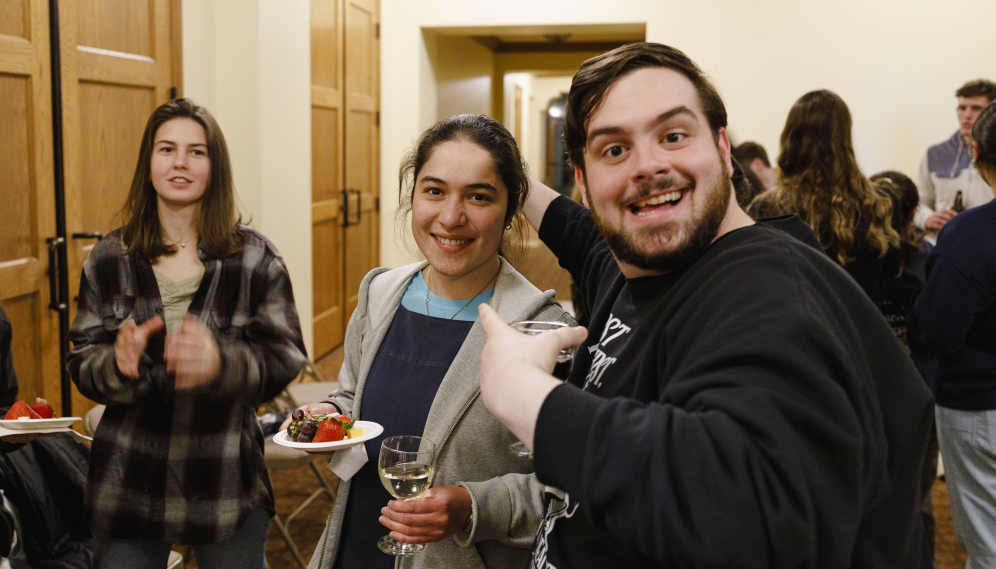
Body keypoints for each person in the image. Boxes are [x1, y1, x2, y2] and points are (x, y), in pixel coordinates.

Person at [475, 42, 933, 568]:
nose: (647, 166)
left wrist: (528, 396)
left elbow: (747, 521)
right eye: (614, 150)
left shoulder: (767, 290)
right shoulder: (640, 266)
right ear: (583, 178)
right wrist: (509, 167)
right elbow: (578, 231)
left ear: (721, 147)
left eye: (673, 135)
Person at [289, 114, 573, 569]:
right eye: (434, 191)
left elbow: (562, 490)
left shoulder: (541, 329)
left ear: (510, 209)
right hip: (358, 542)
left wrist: (469, 506)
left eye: (478, 196)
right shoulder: (379, 293)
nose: (450, 217)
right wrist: (330, 414)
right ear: (413, 194)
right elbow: (351, 396)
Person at [67, 98, 307, 568]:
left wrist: (222, 364)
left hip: (223, 476)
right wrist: (114, 363)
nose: (180, 162)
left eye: (196, 151)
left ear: (215, 166)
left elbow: (286, 355)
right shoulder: (109, 258)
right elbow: (82, 359)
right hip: (127, 478)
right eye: (167, 149)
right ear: (148, 162)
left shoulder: (256, 258)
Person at [909, 101, 996, 568]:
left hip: (980, 405)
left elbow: (939, 327)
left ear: (978, 153)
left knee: (986, 544)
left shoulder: (971, 234)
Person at [747, 90, 900, 300]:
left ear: (790, 138)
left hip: (797, 329)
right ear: (845, 137)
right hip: (861, 328)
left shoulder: (767, 207)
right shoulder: (883, 203)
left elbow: (759, 282)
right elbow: (889, 275)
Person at [869, 169, 938, 560]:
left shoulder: (848, 263)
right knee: (919, 502)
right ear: (913, 215)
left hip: (868, 401)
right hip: (918, 401)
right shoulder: (926, 263)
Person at [916, 79, 996, 243]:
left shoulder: (992, 154)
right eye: (962, 108)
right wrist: (927, 218)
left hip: (986, 243)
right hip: (943, 243)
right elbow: (918, 201)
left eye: (976, 108)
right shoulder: (935, 153)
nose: (966, 115)